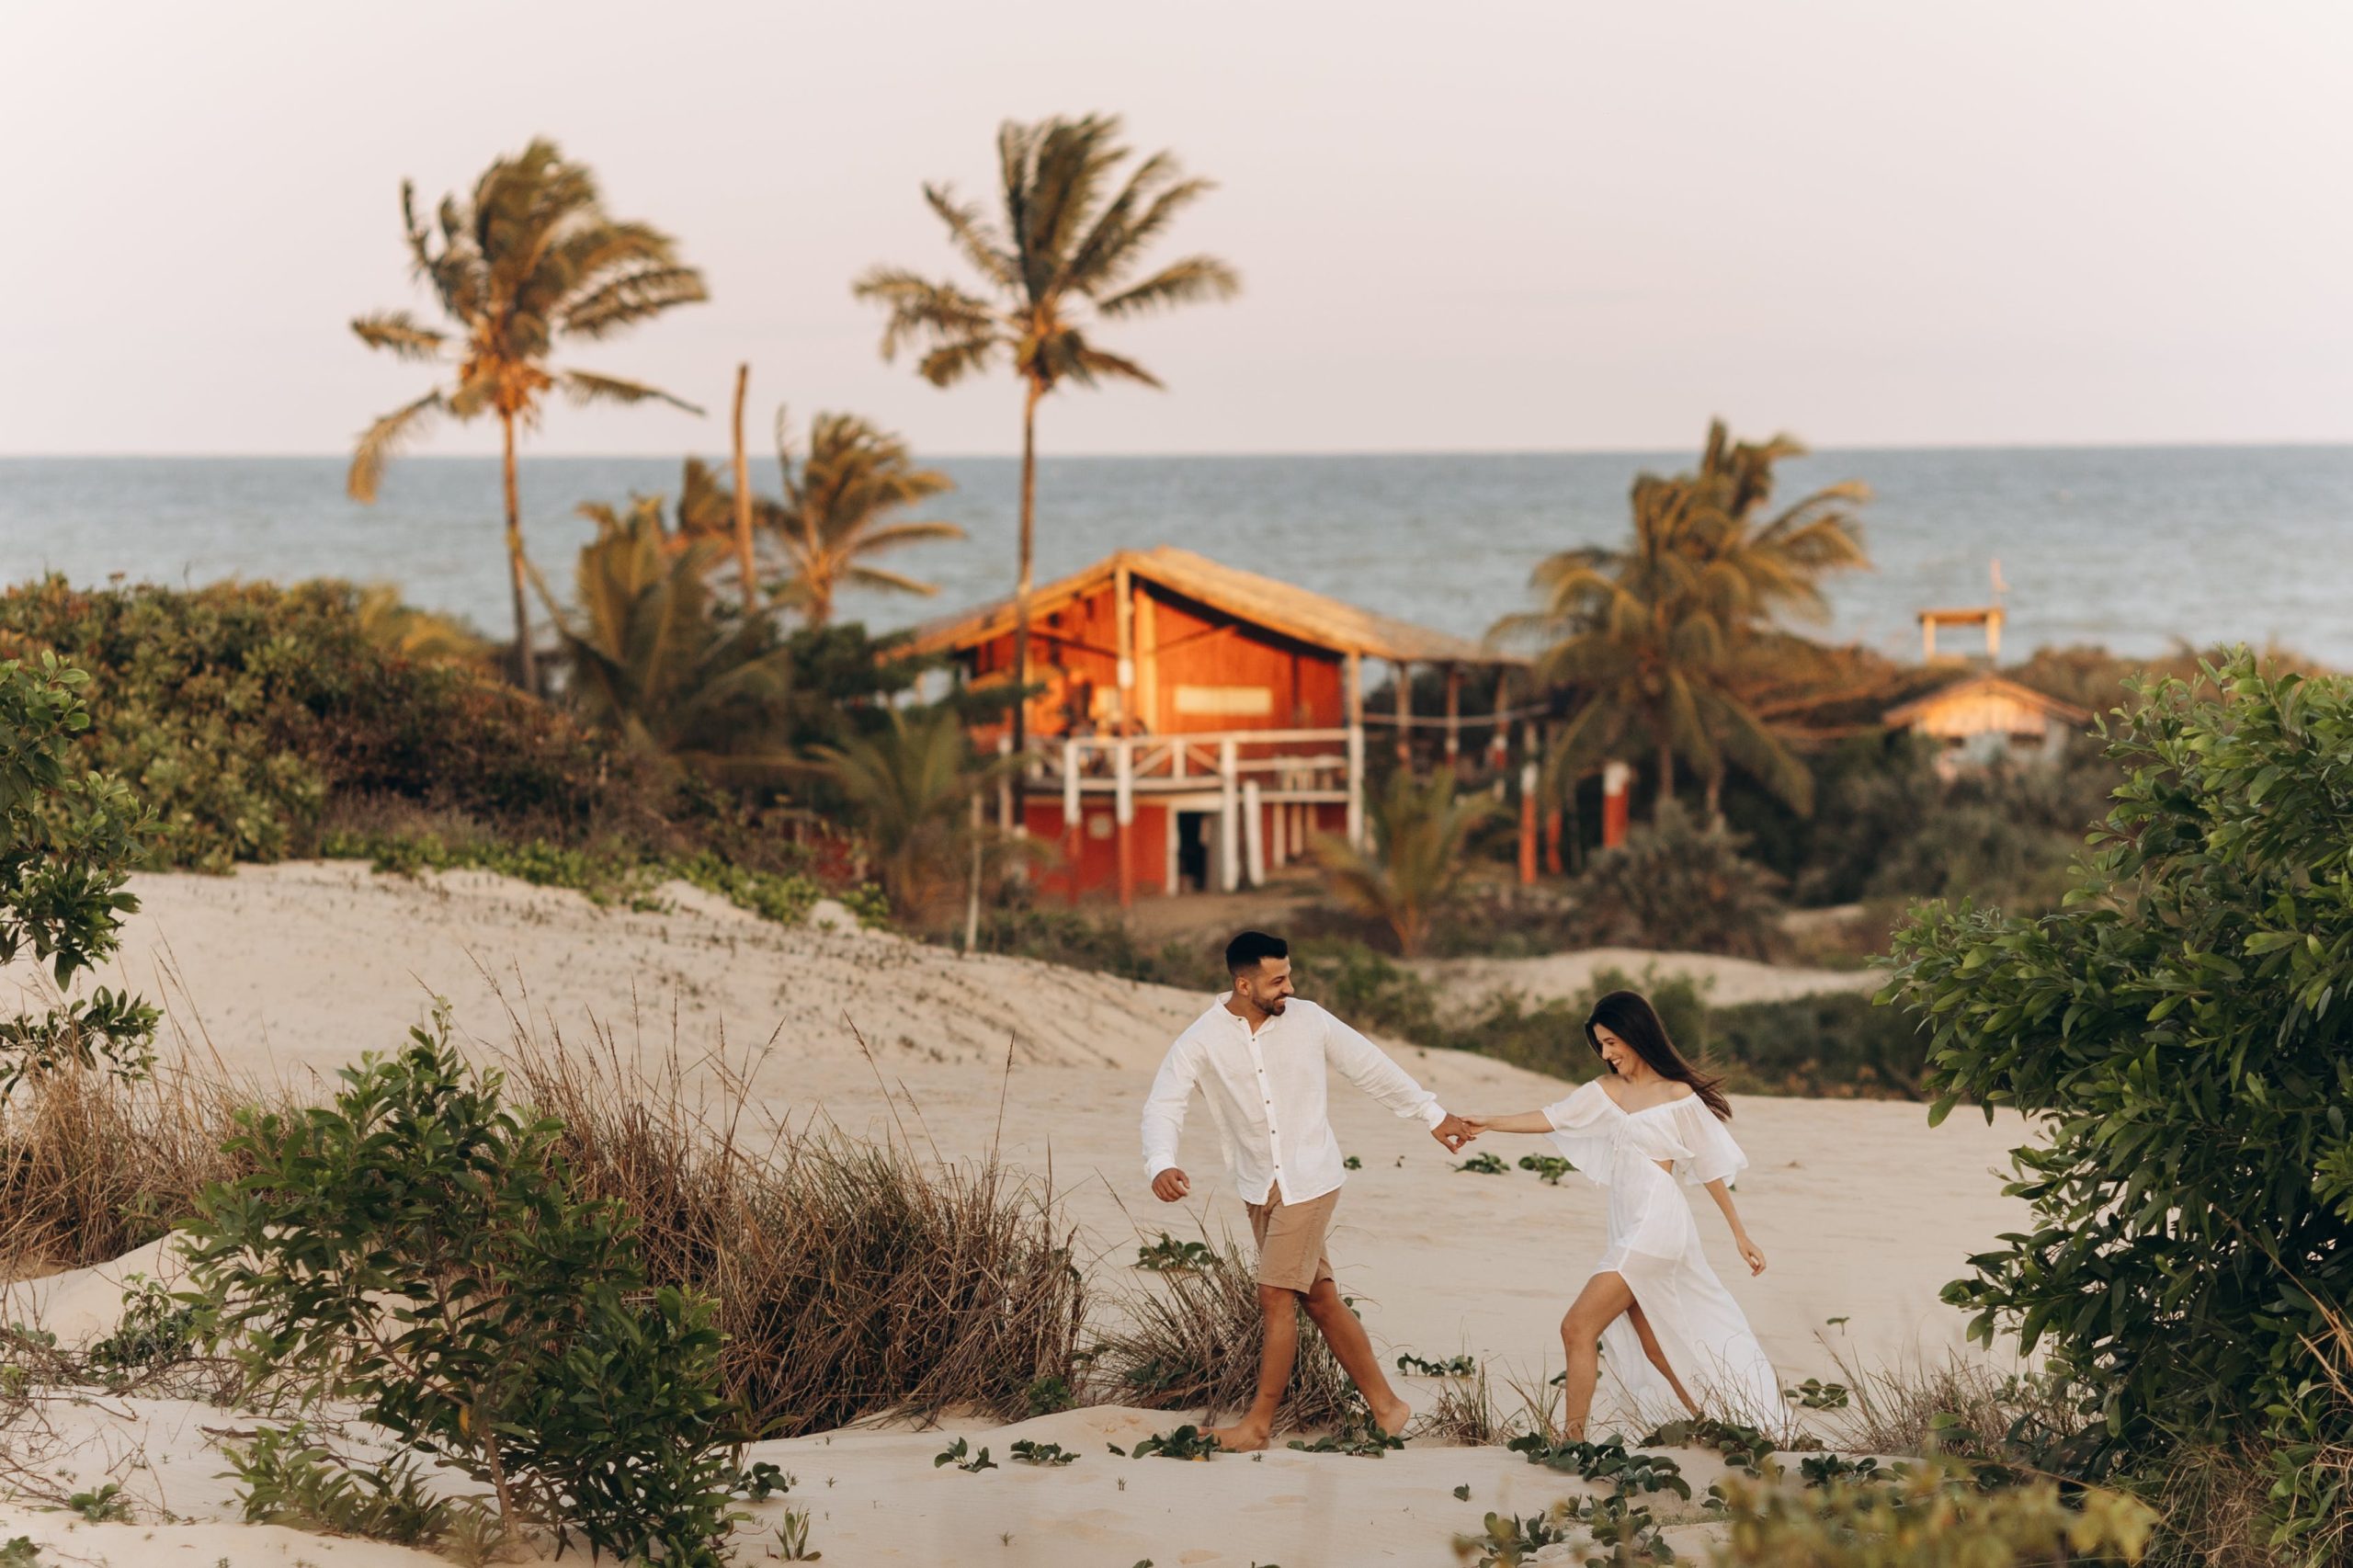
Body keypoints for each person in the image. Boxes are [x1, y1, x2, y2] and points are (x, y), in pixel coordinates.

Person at [1141, 930, 1480, 1450]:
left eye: (1289, 975)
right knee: (1318, 1300)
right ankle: (1388, 1407)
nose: (1289, 988)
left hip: (1312, 1177)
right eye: (1278, 980)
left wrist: (1431, 1114)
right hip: (1259, 1184)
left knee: (1276, 1295)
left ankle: (1256, 1427)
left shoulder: (1311, 1020)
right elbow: (1165, 1103)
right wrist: (1160, 1161)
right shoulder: (1201, 1039)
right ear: (1243, 983)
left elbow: (1371, 1068)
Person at [1463, 990, 1779, 1435]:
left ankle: (1571, 1440)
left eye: (1613, 1042)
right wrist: (1490, 1122)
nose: (1607, 1054)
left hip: (1657, 1224)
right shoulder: (1606, 1091)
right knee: (1653, 1345)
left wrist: (1740, 1235)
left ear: (1637, 1035)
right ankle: (1716, 1426)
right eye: (1601, 1045)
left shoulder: (1677, 1094)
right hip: (1630, 1225)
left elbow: (1709, 1168)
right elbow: (1553, 1117)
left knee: (1577, 1327)